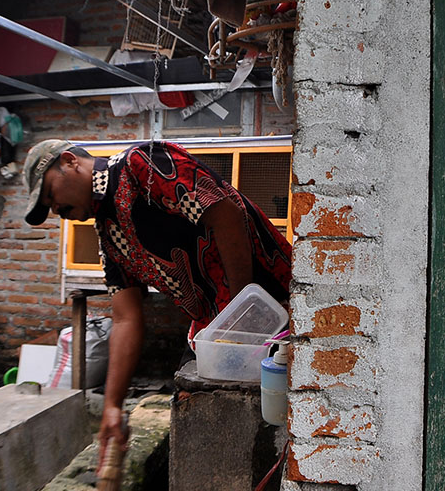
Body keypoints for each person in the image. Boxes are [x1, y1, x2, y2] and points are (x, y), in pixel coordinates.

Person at [22, 138, 292, 460]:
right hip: (222, 337)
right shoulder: (109, 238)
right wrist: (111, 405)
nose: (56, 211)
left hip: (278, 306)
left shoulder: (140, 166)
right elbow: (126, 319)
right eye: (49, 209)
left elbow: (225, 215)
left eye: (50, 195)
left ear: (70, 161)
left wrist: (240, 314)